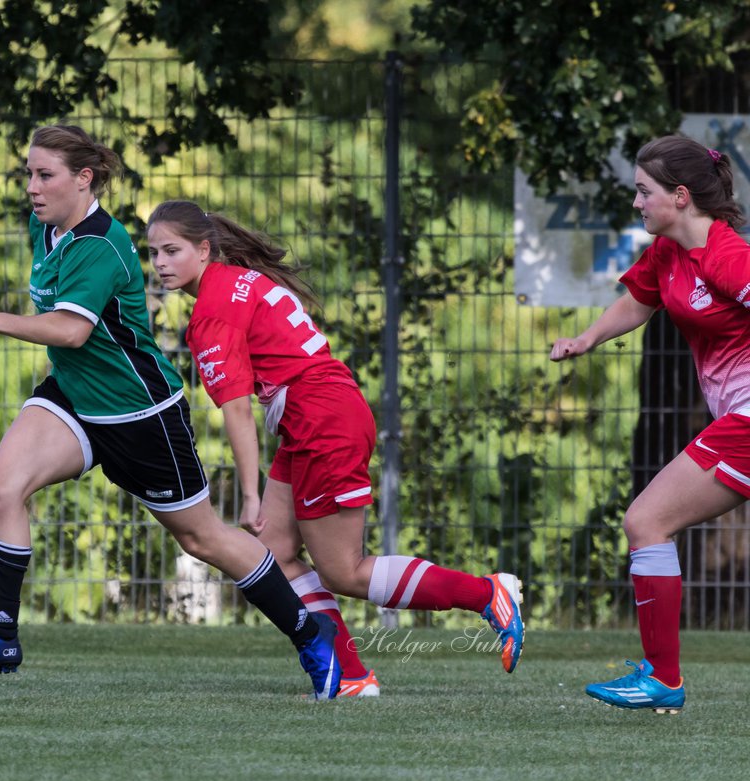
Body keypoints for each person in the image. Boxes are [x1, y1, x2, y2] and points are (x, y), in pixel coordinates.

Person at [0, 125, 345, 700]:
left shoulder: (104, 245)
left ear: (84, 179)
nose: (32, 186)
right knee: (2, 487)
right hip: (74, 398)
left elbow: (72, 330)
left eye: (44, 174)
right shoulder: (46, 228)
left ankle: (310, 631)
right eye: (28, 173)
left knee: (203, 540)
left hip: (139, 413)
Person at [145, 200, 526, 683]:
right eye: (154, 252)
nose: (160, 263)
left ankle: (486, 594)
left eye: (171, 250)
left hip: (322, 423)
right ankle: (348, 677)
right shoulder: (238, 280)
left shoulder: (213, 313)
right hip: (320, 416)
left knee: (344, 571)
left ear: (203, 249)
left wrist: (247, 492)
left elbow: (237, 412)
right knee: (274, 552)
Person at [551, 134, 750, 714]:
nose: (636, 203)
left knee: (646, 520)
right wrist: (586, 339)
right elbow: (639, 302)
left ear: (681, 196)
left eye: (644, 192)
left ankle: (662, 679)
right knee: (647, 523)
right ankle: (660, 677)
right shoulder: (669, 251)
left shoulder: (726, 256)